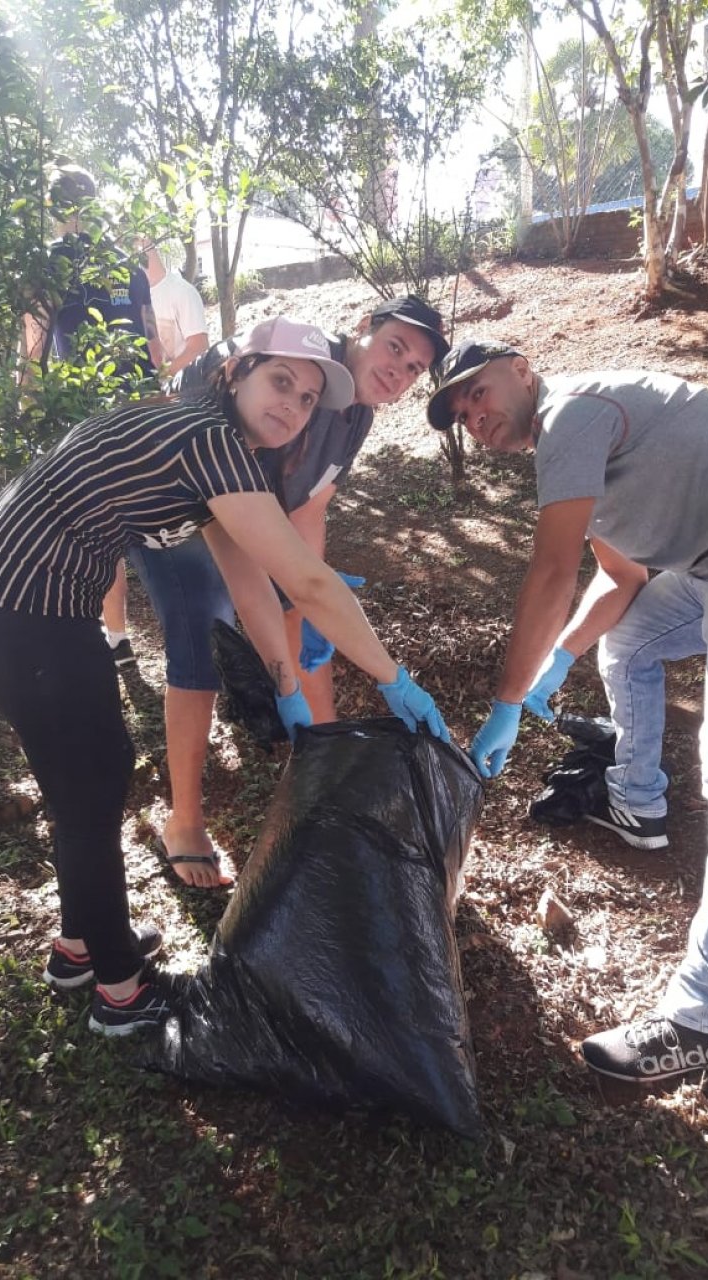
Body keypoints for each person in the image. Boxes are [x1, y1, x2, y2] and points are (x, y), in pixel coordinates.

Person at [0, 317, 450, 1037]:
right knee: (91, 787)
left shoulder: (218, 447)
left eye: (307, 399)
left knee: (87, 777)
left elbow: (248, 579)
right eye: (281, 381)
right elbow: (307, 582)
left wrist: (285, 683)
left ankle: (80, 944)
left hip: (11, 601)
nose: (292, 405)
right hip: (24, 610)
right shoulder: (207, 441)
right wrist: (394, 679)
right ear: (237, 372)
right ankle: (121, 992)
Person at [426, 341, 708, 1088]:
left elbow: (553, 570)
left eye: (477, 393)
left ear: (520, 368)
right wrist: (561, 658)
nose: (474, 418)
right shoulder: (570, 438)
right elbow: (620, 578)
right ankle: (638, 801)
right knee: (629, 641)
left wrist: (507, 703)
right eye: (461, 414)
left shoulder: (573, 414)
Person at [128, 295, 450, 888]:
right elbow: (233, 513)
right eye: (394, 348)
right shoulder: (300, 366)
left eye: (413, 368)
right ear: (364, 327)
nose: (398, 372)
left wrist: (309, 597)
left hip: (242, 512)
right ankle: (185, 821)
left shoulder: (355, 412)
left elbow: (308, 510)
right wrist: (311, 594)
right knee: (200, 633)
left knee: (303, 614)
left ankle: (321, 772)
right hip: (175, 504)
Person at [21, 164, 164, 669]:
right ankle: (178, 627)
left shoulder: (48, 266)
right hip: (141, 409)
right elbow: (154, 346)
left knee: (101, 528)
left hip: (84, 415)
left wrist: (26, 409)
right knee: (154, 518)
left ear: (54, 207)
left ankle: (117, 636)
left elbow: (34, 348)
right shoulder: (127, 265)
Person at [140, 239, 209, 384]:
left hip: (183, 389)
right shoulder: (133, 295)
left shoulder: (182, 291)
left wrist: (159, 379)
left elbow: (199, 347)